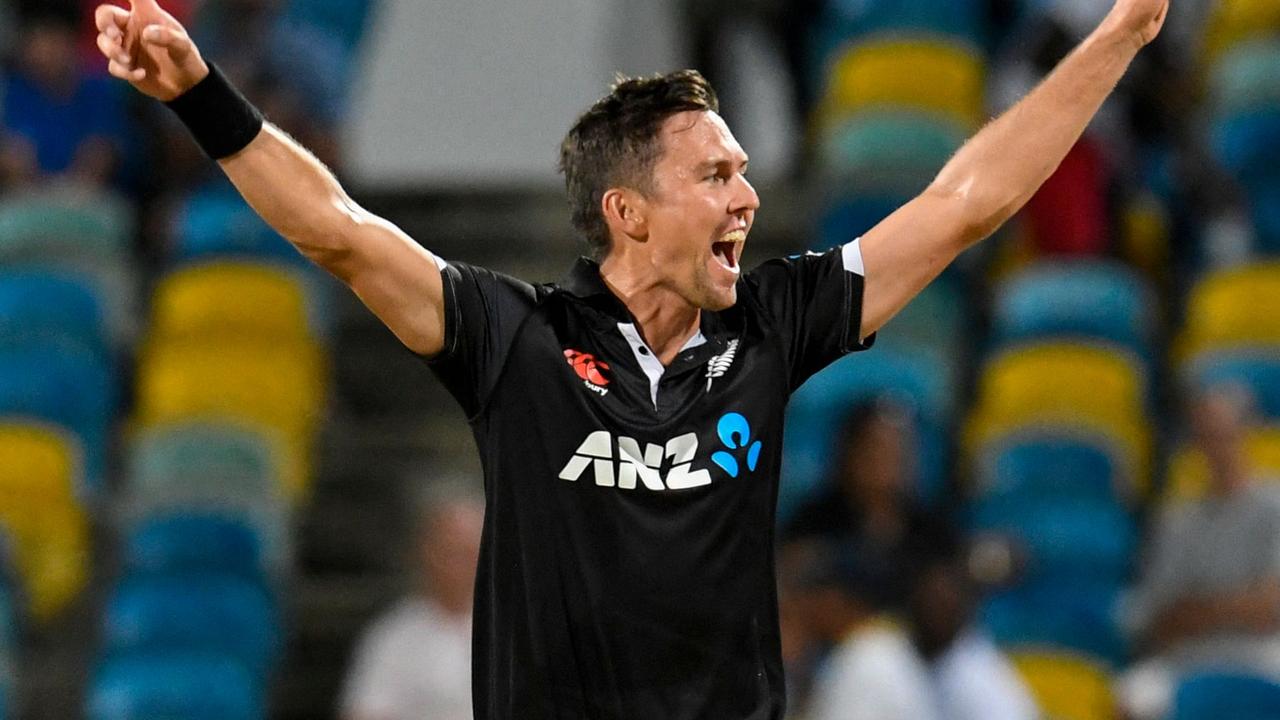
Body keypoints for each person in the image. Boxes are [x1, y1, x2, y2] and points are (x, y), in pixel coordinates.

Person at [91, 0, 1169, 716]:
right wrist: (198, 93)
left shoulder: (772, 322)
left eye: (744, 172)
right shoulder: (513, 341)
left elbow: (963, 203)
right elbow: (335, 228)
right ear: (628, 212)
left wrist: (1119, 35)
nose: (747, 197)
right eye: (713, 175)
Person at [1119, 386, 1280, 720]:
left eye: (1224, 433)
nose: (1217, 445)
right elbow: (1159, 618)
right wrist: (1237, 605)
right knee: (1131, 699)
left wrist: (1197, 609)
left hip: (1265, 653)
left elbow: (1270, 609)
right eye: (1206, 436)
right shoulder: (1176, 521)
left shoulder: (1274, 505)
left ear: (1243, 434)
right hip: (1189, 656)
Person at [784, 398, 961, 611]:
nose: (891, 462)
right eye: (878, 449)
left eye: (900, 451)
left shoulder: (932, 530)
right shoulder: (813, 521)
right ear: (849, 453)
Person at [340, 484, 484, 720]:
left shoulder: (526, 632)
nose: (463, 565)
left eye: (471, 552)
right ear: (427, 553)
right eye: (452, 552)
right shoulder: (394, 636)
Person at [778, 538, 940, 720]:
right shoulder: (882, 647)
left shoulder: (866, 659)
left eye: (814, 596)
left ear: (836, 600)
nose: (805, 607)